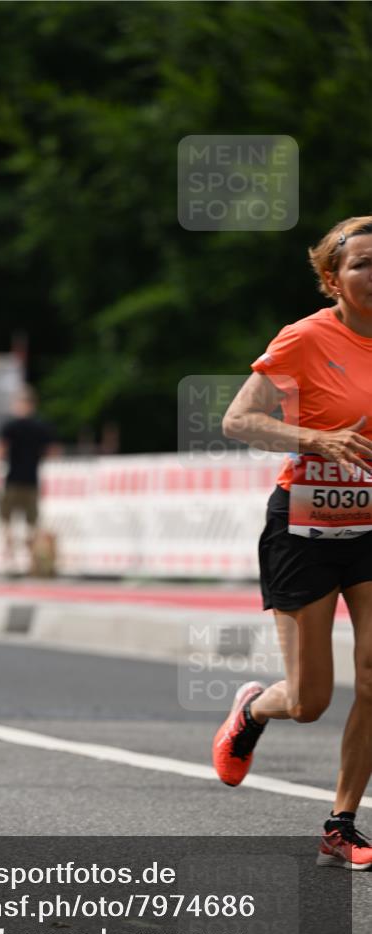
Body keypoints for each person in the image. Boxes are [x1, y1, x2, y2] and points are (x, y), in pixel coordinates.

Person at [212, 215, 372, 870]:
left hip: (371, 527)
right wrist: (316, 439)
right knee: (308, 702)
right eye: (362, 263)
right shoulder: (305, 338)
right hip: (304, 529)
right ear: (333, 279)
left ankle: (342, 822)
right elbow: (238, 420)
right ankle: (254, 709)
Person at [0, 386, 59, 573]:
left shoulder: (10, 426)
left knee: (7, 523)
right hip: (32, 481)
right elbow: (53, 452)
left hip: (12, 481)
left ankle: (10, 563)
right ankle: (32, 563)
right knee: (32, 525)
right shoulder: (41, 426)